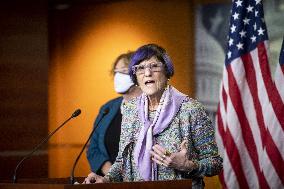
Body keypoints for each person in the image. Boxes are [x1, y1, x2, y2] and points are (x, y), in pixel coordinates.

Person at [84, 44, 223, 189]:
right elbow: (121, 162)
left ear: (167, 71)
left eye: (154, 66)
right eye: (140, 68)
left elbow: (215, 163)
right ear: (135, 77)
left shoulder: (191, 110)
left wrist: (188, 165)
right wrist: (105, 180)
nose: (147, 73)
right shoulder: (130, 110)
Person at [85, 52, 141, 181]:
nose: (117, 76)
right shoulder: (108, 108)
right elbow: (92, 148)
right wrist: (110, 172)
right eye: (115, 71)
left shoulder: (151, 106)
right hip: (109, 181)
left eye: (123, 71)